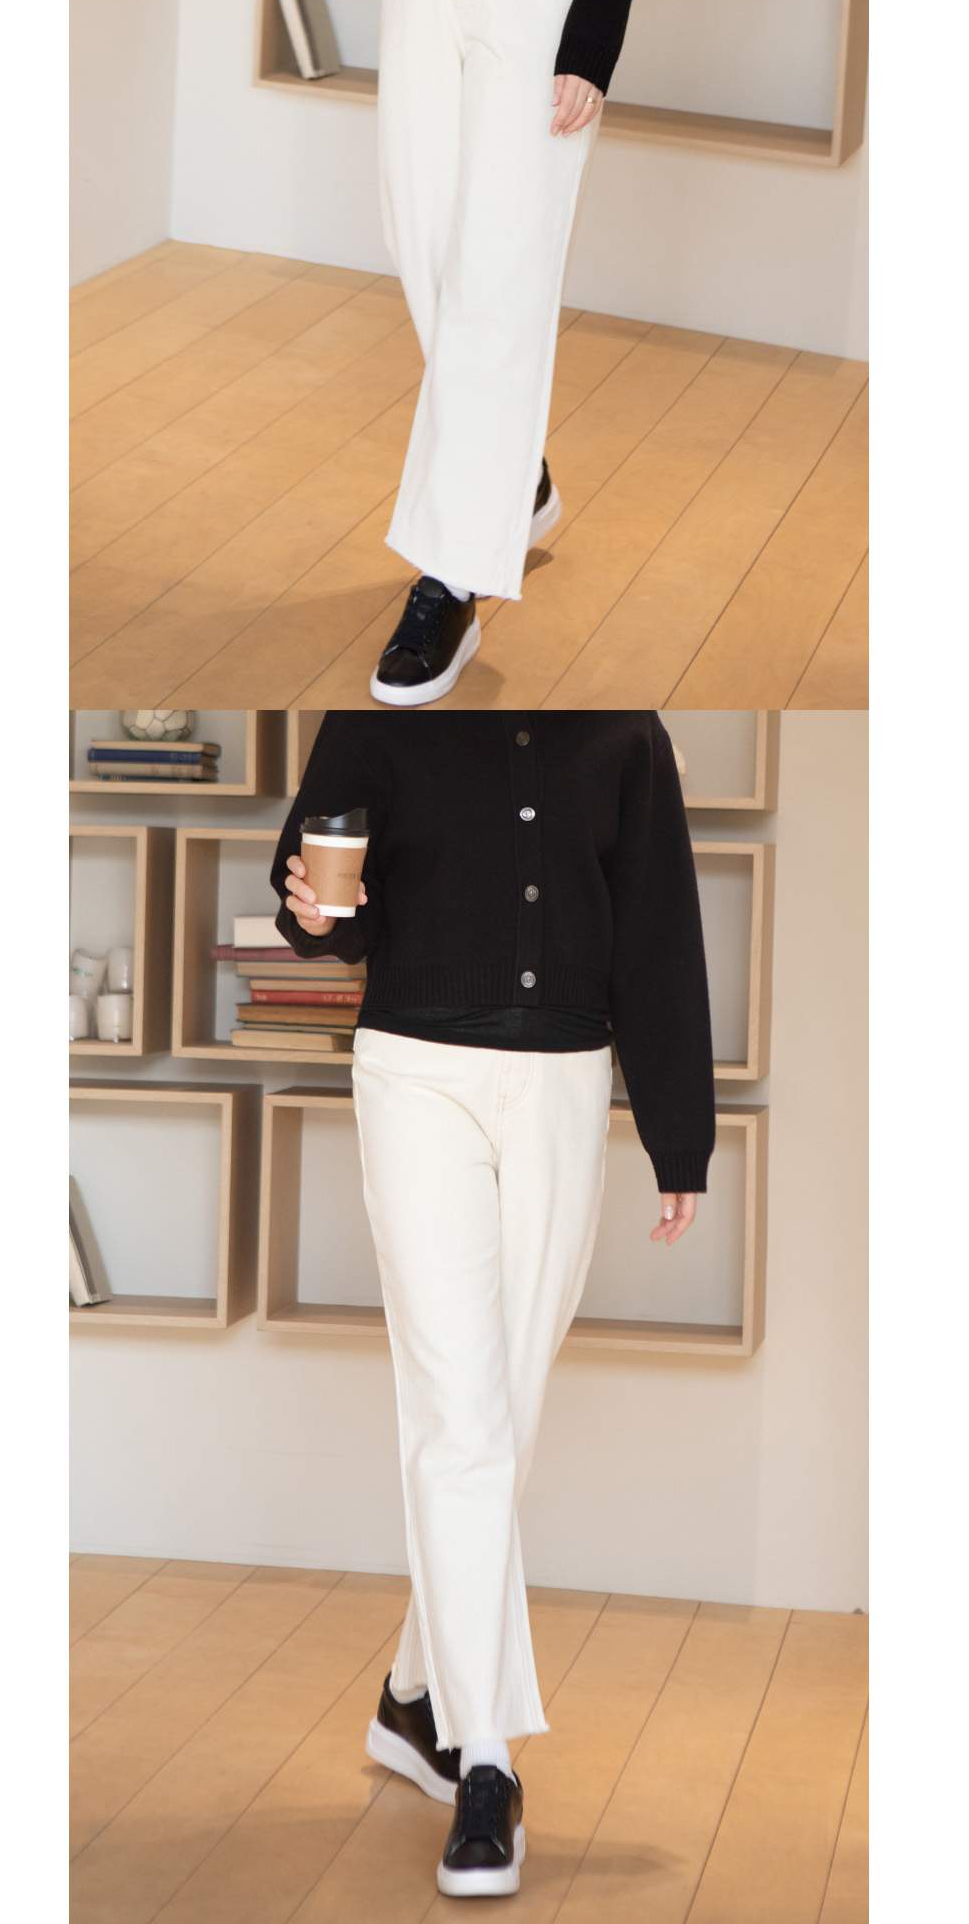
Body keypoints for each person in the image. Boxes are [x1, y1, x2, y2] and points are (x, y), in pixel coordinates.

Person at [182, 0, 682, 696]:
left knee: (500, 271)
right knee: (423, 244)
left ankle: (450, 580)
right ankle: (511, 472)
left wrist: (590, 45)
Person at [271, 707, 715, 1897]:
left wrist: (677, 1129)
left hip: (564, 1079)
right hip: (414, 1072)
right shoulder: (377, 716)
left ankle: (412, 1694)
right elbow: (316, 899)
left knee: (502, 1409)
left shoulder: (623, 726)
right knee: (458, 1412)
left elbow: (658, 924)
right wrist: (313, 910)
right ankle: (484, 1761)